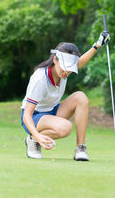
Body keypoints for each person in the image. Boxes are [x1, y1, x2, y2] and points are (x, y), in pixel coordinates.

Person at [21, 31, 110, 161]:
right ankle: (33, 140)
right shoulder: (40, 78)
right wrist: (38, 136)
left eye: (69, 68)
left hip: (52, 112)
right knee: (66, 127)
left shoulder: (64, 71)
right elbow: (27, 115)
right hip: (34, 117)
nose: (66, 71)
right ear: (55, 59)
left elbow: (81, 62)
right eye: (64, 66)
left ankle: (80, 148)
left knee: (81, 97)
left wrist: (98, 44)